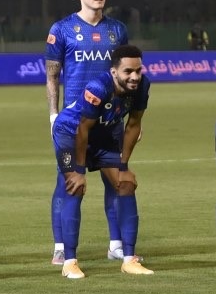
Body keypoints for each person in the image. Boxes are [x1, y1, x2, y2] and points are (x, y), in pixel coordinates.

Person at [44, 0, 133, 266]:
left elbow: (127, 76)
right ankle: (61, 246)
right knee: (67, 182)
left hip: (110, 122)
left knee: (115, 181)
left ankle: (117, 244)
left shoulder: (117, 30)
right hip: (75, 121)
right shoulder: (62, 30)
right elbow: (52, 76)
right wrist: (53, 114)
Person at [53, 44, 153, 279]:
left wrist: (124, 166)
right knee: (75, 188)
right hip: (70, 133)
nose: (135, 77)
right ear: (114, 72)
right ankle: (69, 262)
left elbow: (133, 125)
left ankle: (129, 260)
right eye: (128, 71)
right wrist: (78, 170)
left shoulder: (142, 87)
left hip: (104, 136)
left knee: (125, 184)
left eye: (138, 70)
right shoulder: (98, 88)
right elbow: (82, 129)